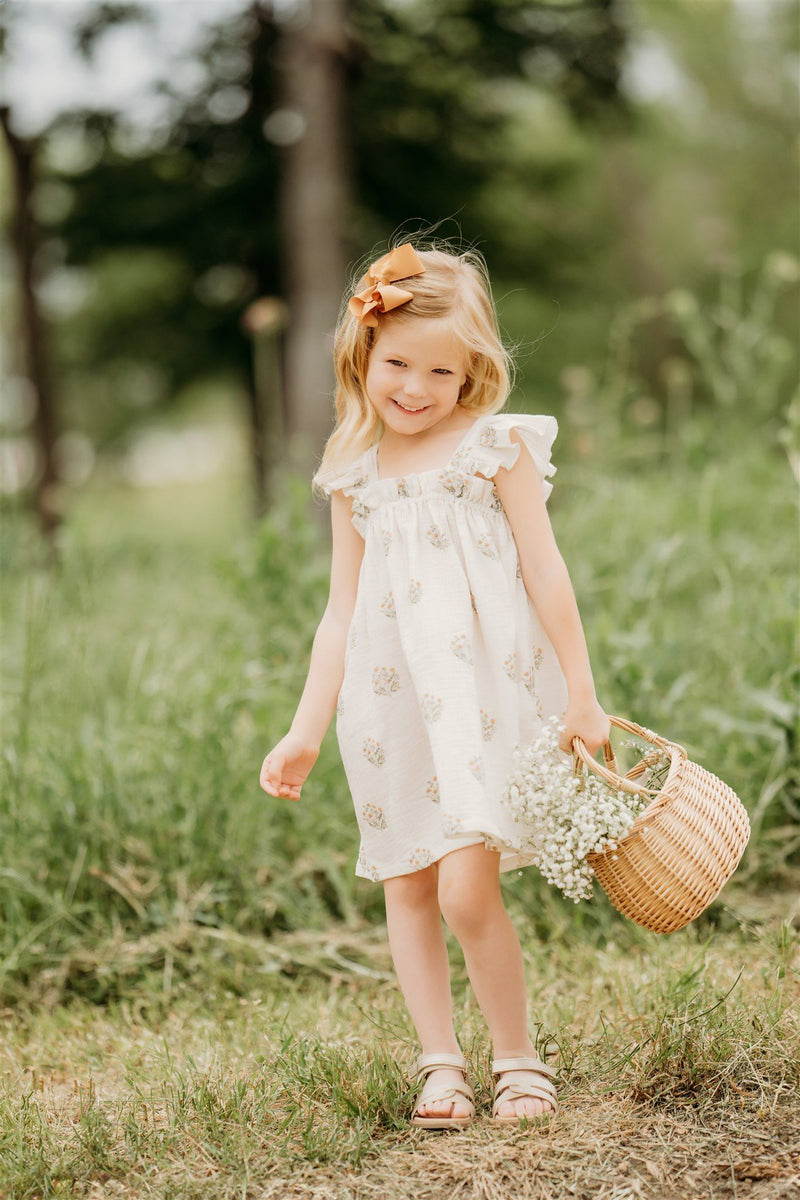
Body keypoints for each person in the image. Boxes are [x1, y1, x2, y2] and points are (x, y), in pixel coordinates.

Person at [259, 239, 611, 1129]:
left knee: (464, 888)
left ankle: (520, 1059)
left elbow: (545, 568)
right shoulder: (354, 473)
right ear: (364, 356)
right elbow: (339, 612)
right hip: (391, 703)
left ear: (471, 374)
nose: (414, 387)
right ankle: (440, 1064)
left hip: (480, 697)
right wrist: (305, 728)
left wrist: (582, 689)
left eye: (439, 371)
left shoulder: (495, 449)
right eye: (398, 363)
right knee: (408, 883)